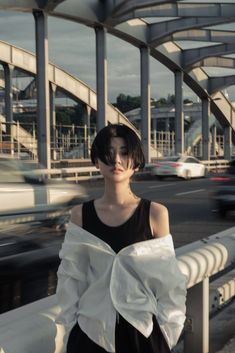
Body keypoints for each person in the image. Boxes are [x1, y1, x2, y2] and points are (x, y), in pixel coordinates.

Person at [55, 123, 187, 353]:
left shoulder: (155, 214)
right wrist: (69, 329)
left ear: (135, 162)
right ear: (97, 161)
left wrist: (168, 331)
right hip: (91, 333)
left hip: (142, 333)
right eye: (109, 152)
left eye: (124, 152)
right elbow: (71, 278)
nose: (116, 160)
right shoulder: (80, 216)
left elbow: (169, 283)